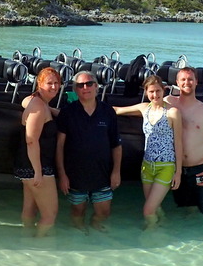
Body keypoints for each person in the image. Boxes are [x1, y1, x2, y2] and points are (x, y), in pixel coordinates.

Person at [164, 67, 203, 242]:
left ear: (196, 82)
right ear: (177, 82)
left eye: (190, 79)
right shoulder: (169, 102)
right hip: (177, 169)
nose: (186, 83)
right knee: (186, 207)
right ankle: (191, 238)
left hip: (201, 169)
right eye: (183, 79)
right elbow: (148, 105)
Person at [114, 75, 183, 230]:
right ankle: (163, 223)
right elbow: (117, 110)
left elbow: (178, 142)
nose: (155, 95)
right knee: (153, 206)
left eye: (158, 91)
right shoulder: (144, 108)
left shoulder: (173, 112)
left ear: (164, 90)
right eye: (151, 91)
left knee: (148, 210)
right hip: (146, 166)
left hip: (166, 166)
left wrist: (178, 172)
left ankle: (152, 237)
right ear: (146, 92)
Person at [56, 71, 122, 233]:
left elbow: (116, 145)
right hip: (75, 174)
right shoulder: (68, 112)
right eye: (80, 85)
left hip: (103, 173)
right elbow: (59, 146)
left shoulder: (108, 112)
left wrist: (116, 172)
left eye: (89, 83)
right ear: (75, 90)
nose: (85, 87)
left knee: (104, 212)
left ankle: (95, 224)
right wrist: (62, 175)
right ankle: (79, 231)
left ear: (96, 86)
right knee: (78, 211)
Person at [15, 67, 62, 237]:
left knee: (29, 209)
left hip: (27, 165)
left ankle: (26, 239)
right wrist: (37, 171)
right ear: (39, 84)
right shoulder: (39, 107)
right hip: (36, 166)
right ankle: (40, 244)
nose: (54, 86)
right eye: (49, 83)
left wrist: (53, 111)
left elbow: (25, 101)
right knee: (50, 215)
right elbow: (31, 139)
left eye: (57, 83)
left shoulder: (35, 101)